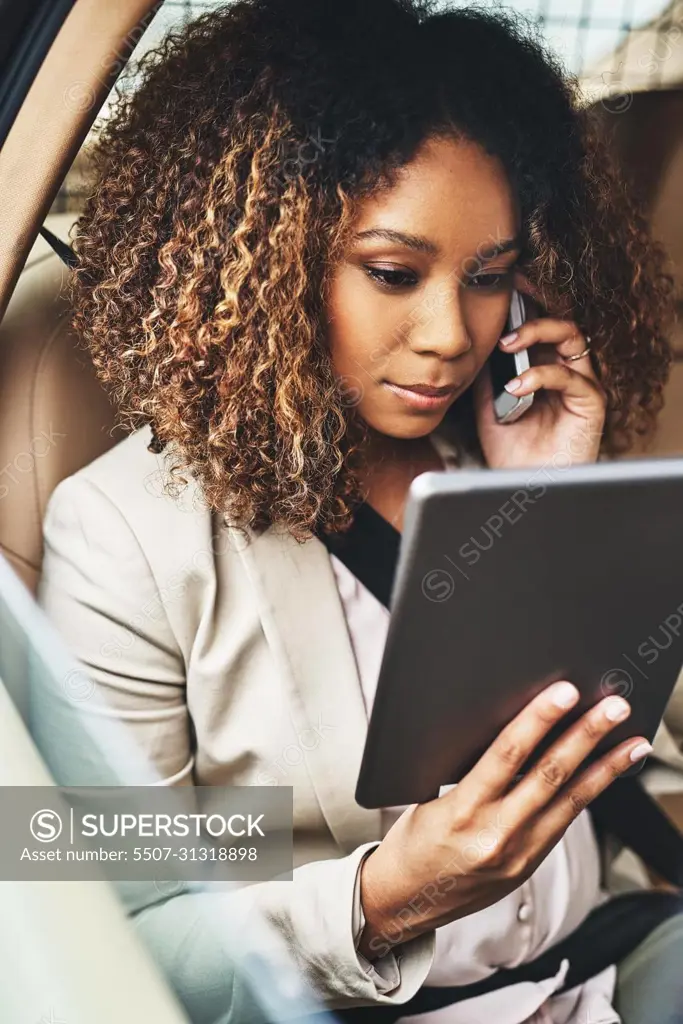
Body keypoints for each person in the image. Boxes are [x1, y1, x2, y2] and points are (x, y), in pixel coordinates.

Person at [36, 1, 683, 1022]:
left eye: (488, 278)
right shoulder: (127, 536)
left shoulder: (505, 444)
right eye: (392, 273)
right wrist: (382, 900)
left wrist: (542, 495)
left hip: (594, 968)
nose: (448, 334)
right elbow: (132, 924)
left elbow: (626, 731)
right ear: (264, 261)